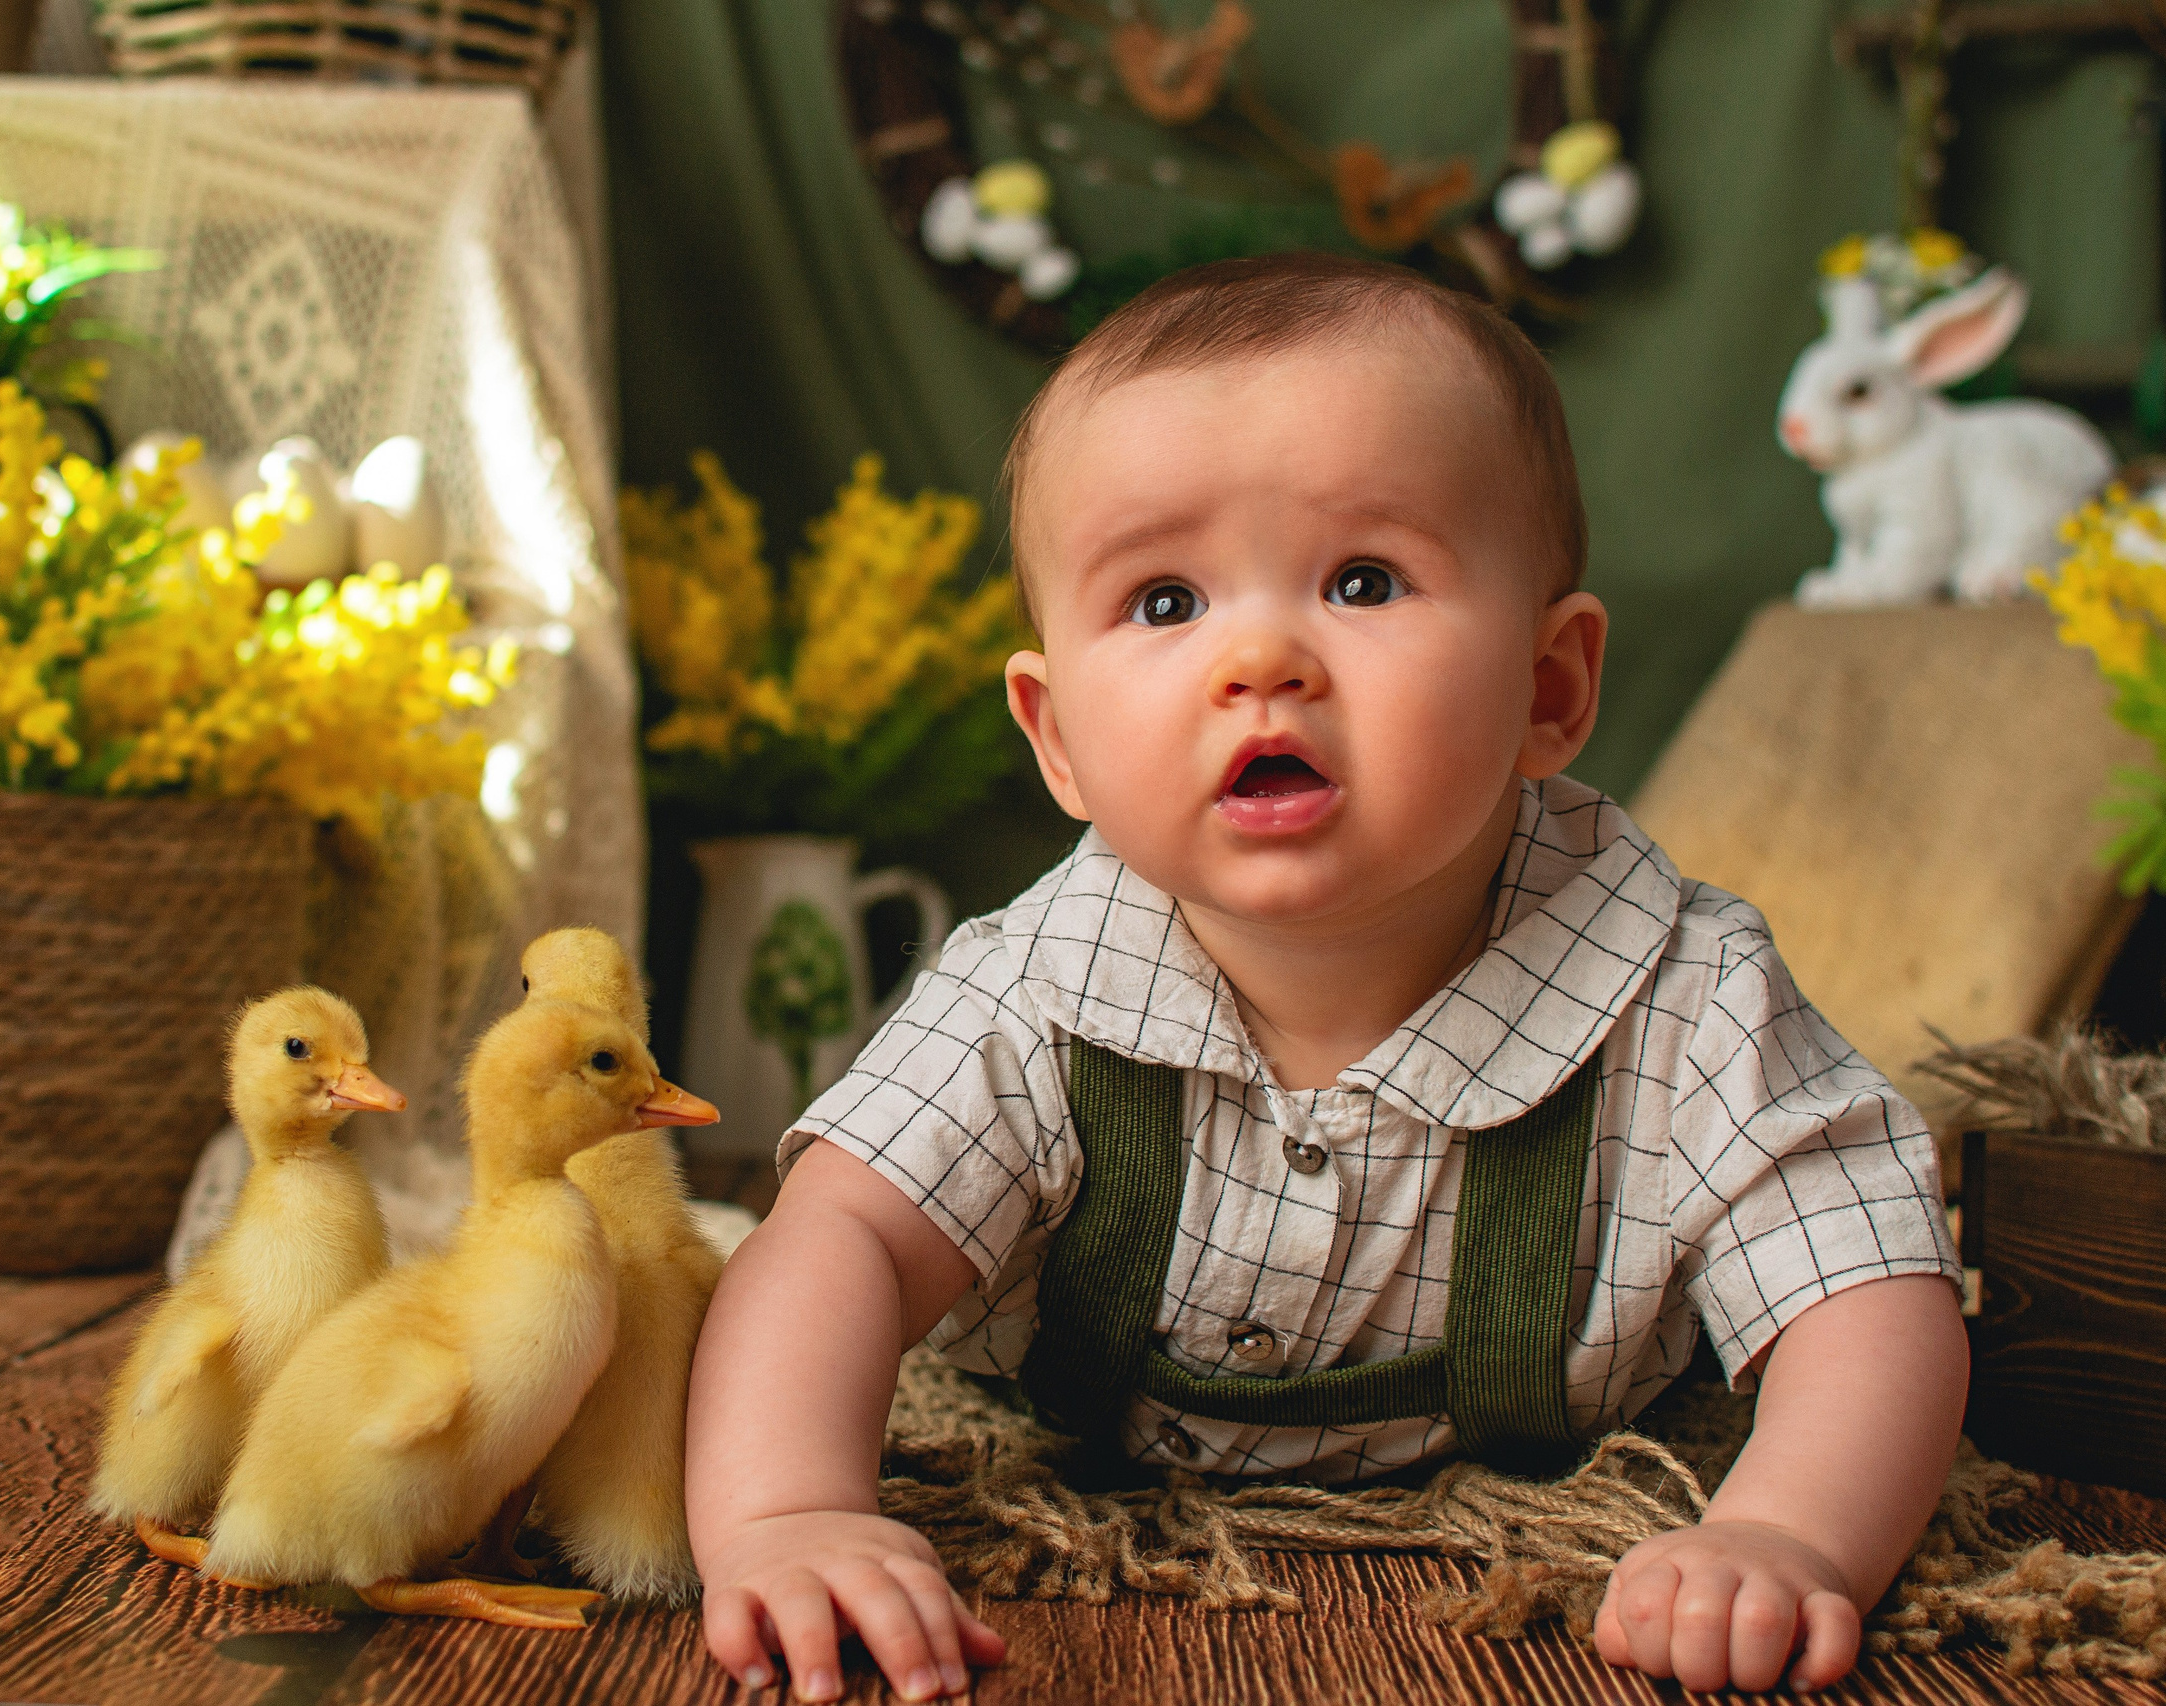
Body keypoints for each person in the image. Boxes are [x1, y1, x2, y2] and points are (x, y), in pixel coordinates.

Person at [684, 252, 1968, 1702]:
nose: (1260, 658)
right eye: (1164, 600)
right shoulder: (1030, 990)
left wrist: (1792, 1529)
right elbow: (833, 1239)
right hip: (1113, 1483)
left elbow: (1866, 1286)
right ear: (1057, 739)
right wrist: (785, 1508)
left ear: (1551, 688)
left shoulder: (1680, 985)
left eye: (1363, 580)